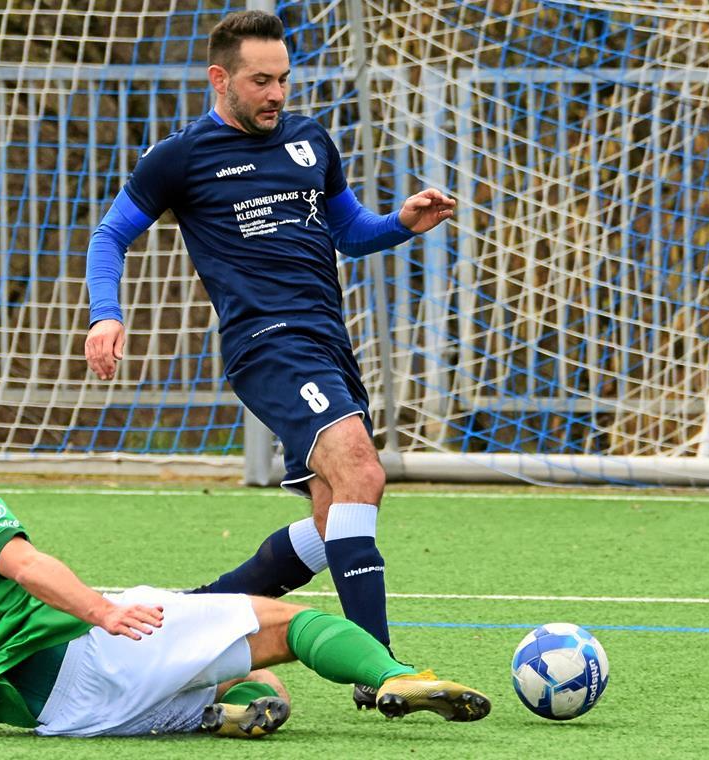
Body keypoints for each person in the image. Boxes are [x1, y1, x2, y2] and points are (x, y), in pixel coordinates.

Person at [84, 10, 457, 708]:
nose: (276, 93)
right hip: (267, 342)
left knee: (331, 523)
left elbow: (348, 230)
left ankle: (186, 615)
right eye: (261, 80)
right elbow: (110, 237)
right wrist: (107, 313)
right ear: (219, 78)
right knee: (361, 470)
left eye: (283, 79)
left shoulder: (311, 141)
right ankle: (384, 672)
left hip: (327, 342)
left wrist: (400, 225)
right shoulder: (181, 156)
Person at [0, 396, 490, 739]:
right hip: (88, 654)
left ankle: (214, 714)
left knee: (258, 683)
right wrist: (101, 612)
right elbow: (27, 564)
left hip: (57, 718)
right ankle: (394, 675)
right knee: (296, 626)